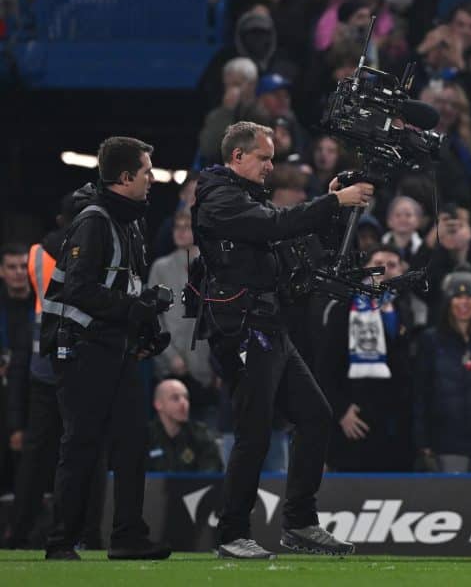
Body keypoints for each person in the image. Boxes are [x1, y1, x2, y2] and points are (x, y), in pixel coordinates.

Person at [192, 121, 373, 559]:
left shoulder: (246, 197)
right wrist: (330, 201)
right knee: (253, 434)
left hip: (269, 326)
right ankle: (233, 533)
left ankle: (300, 523)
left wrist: (333, 205)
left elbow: (287, 231)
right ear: (238, 157)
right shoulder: (219, 200)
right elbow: (273, 226)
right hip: (242, 329)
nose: (271, 166)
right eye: (264, 157)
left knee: (314, 416)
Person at [39, 137, 171, 561]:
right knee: (82, 446)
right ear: (126, 177)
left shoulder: (130, 221)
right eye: (147, 171)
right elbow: (78, 290)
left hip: (115, 348)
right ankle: (61, 542)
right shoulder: (94, 221)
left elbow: (121, 288)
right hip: (81, 350)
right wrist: (135, 307)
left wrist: (145, 314)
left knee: (132, 441)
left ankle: (129, 537)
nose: (153, 178)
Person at [5, 198, 104, 550]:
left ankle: (18, 533)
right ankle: (85, 534)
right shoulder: (95, 247)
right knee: (83, 452)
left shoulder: (37, 253)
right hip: (83, 358)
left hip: (43, 360)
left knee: (35, 459)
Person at [318, 246, 416, 473]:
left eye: (392, 265)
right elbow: (325, 368)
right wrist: (341, 410)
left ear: (402, 271)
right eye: (378, 263)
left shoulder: (405, 308)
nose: (384, 270)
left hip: (394, 423)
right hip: (356, 419)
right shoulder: (343, 309)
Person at [413, 271, 471, 473]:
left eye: (470, 297)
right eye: (458, 296)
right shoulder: (430, 341)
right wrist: (422, 441)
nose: (464, 302)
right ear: (448, 301)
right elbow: (420, 394)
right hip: (446, 443)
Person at [147, 211, 215, 414]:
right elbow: (153, 315)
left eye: (187, 226)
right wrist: (170, 356)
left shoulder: (212, 266)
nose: (181, 231)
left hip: (205, 365)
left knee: (205, 431)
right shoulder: (161, 267)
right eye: (178, 226)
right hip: (171, 362)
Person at [1, 244, 31, 497]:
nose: (19, 272)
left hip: (35, 396)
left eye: (23, 266)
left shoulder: (43, 303)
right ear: (2, 271)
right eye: (12, 267)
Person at [147, 379, 223, 473]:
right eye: (175, 398)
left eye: (186, 398)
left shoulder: (200, 433)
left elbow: (212, 472)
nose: (184, 403)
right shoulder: (145, 436)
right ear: (158, 404)